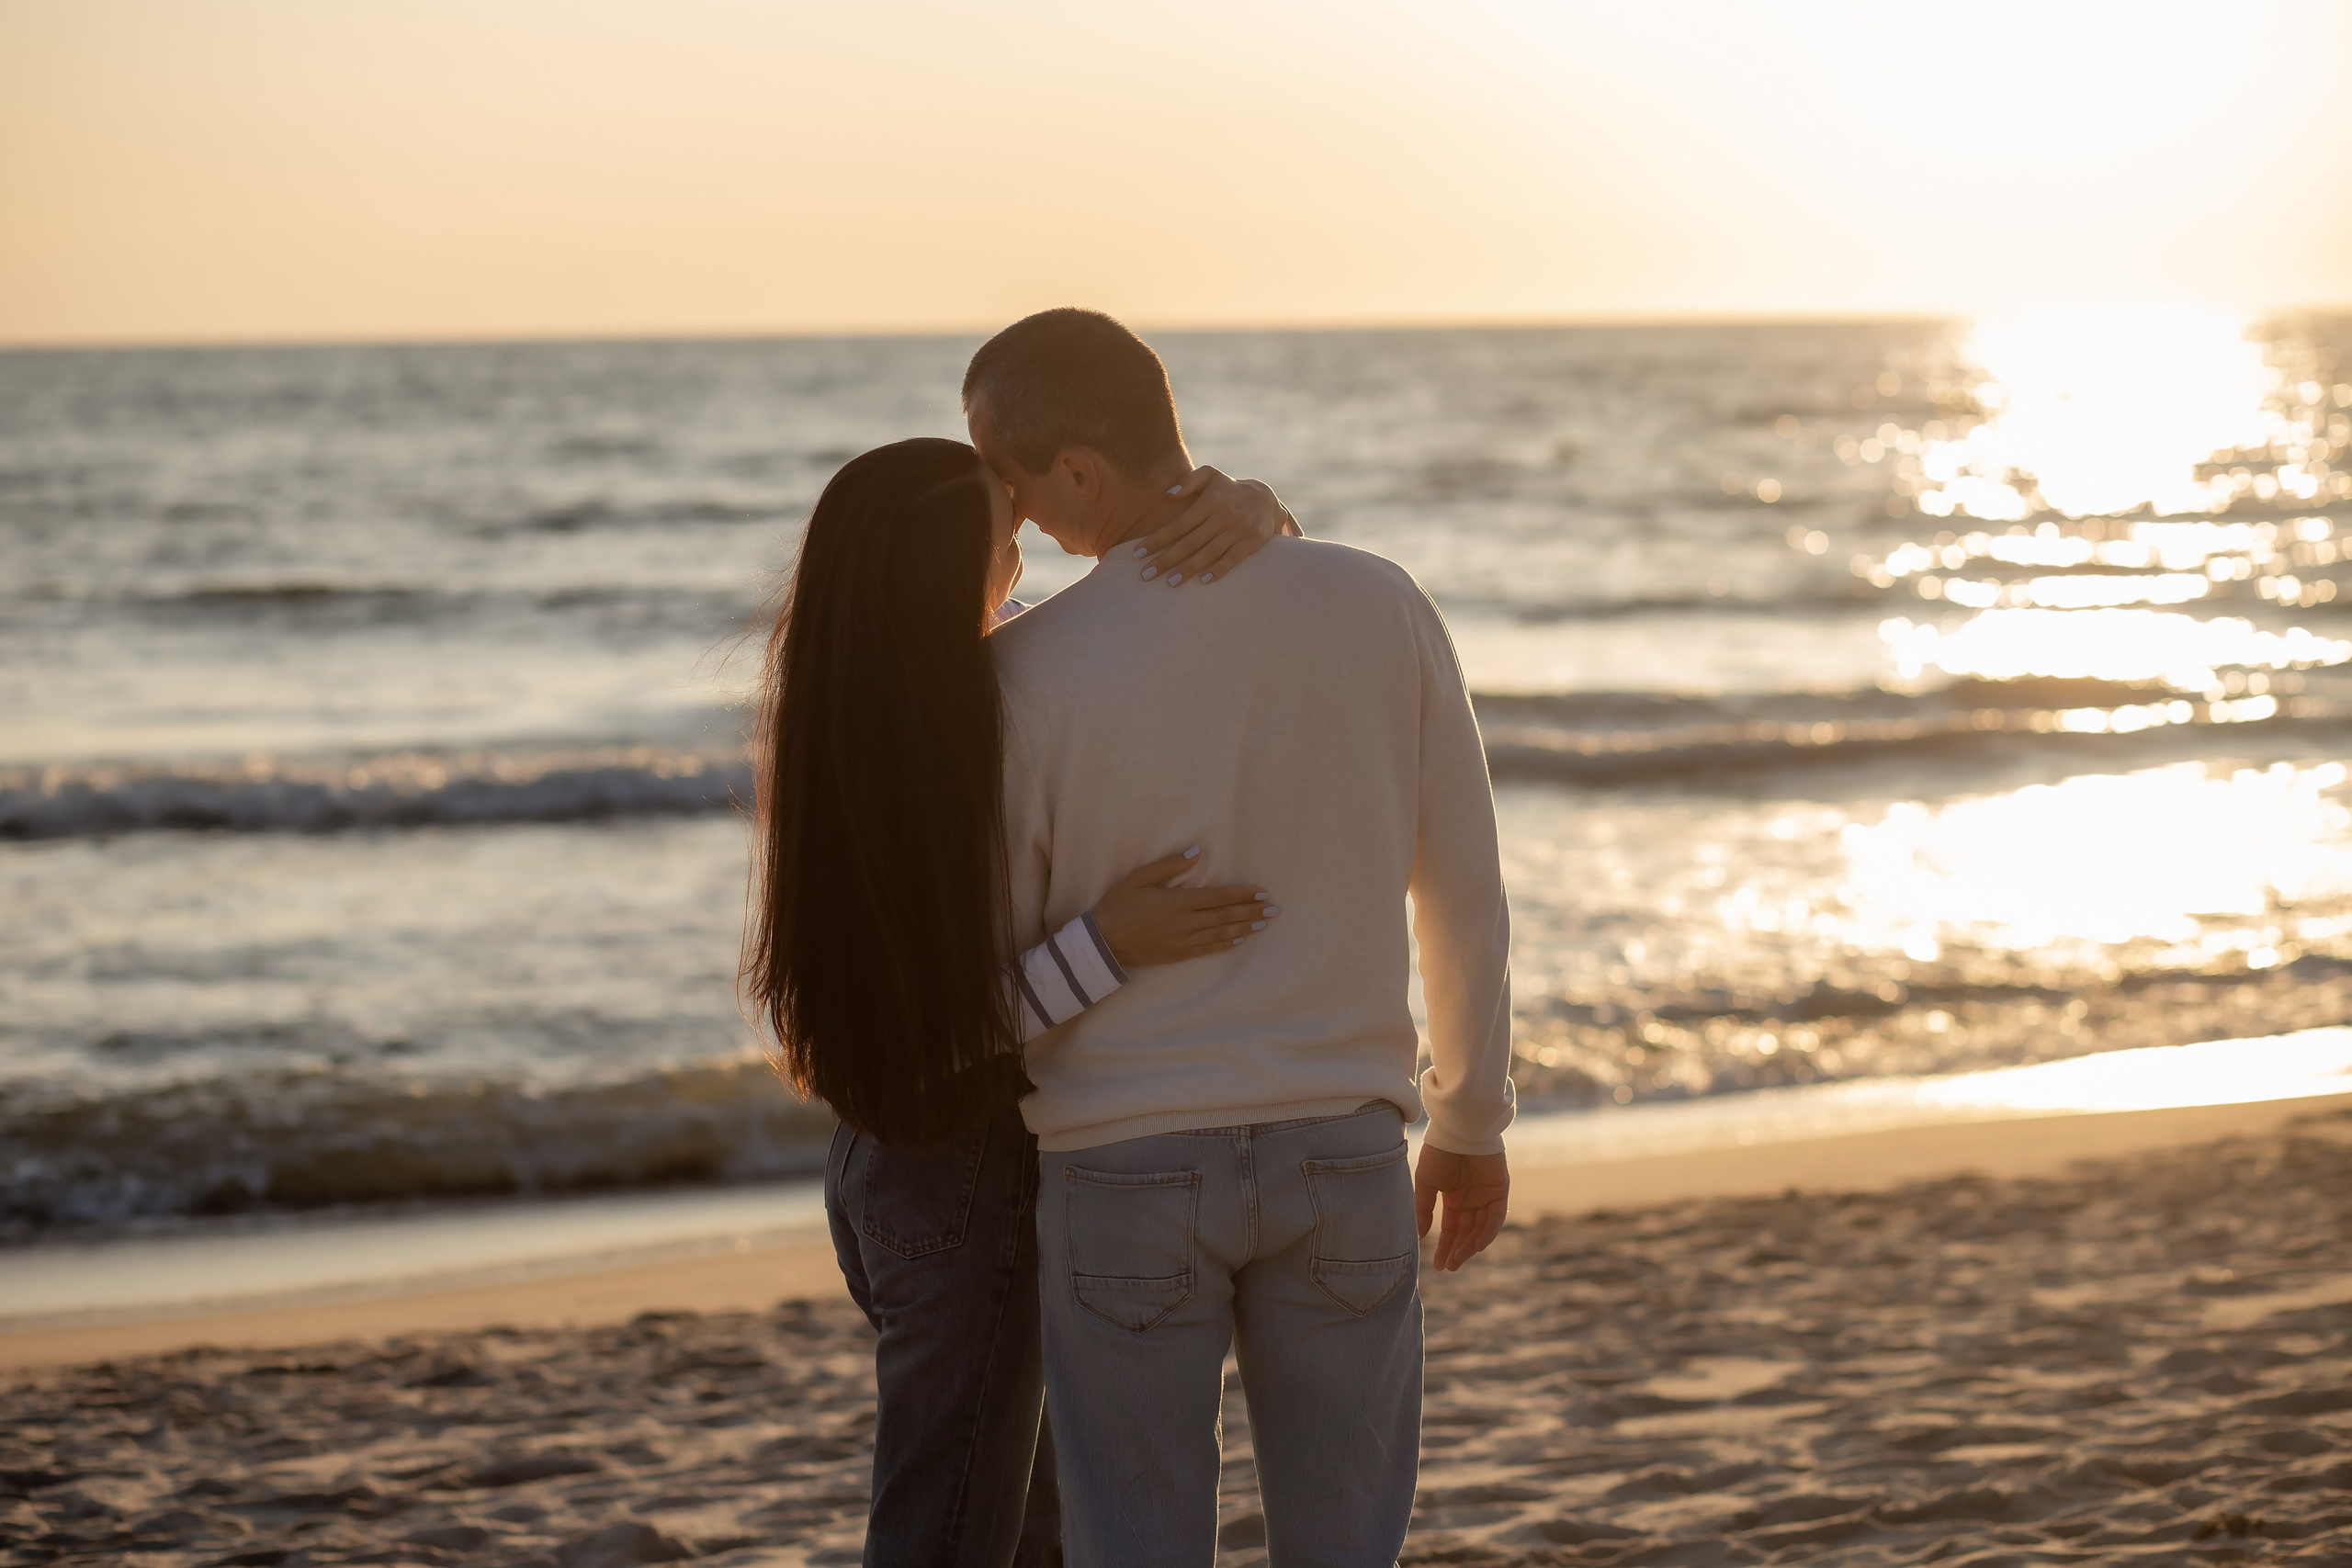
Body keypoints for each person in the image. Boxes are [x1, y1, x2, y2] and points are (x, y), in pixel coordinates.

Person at [967, 309, 1516, 1565]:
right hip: (1342, 1148)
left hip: (1124, 1166)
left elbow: (992, 995)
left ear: (1081, 475)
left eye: (1011, 477)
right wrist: (1471, 1120)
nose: (1012, 512)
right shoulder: (1378, 600)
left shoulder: (1028, 672)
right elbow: (1465, 891)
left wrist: (1104, 949)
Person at [741, 436, 1297, 1568]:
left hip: (887, 1167)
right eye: (1005, 539)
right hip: (957, 1173)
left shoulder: (851, 718)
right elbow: (935, 1029)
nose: (1024, 559)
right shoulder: (932, 741)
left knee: (1022, 1527)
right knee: (951, 1531)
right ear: (945, 569)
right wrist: (1110, 944)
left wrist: (1242, 505)